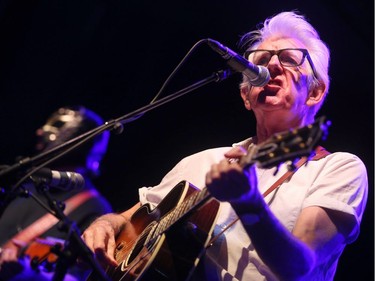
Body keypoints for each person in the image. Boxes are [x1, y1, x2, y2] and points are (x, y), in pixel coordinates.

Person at [81, 11, 368, 281]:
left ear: (315, 92)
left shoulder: (338, 168)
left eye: (290, 59)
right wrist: (105, 224)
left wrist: (249, 202)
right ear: (246, 95)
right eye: (262, 59)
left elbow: (299, 268)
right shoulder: (202, 161)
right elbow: (129, 220)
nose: (272, 66)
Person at [0, 106, 113, 280]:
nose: (40, 132)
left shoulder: (96, 208)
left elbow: (79, 275)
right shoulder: (27, 185)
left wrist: (29, 274)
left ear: (79, 140)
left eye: (58, 125)